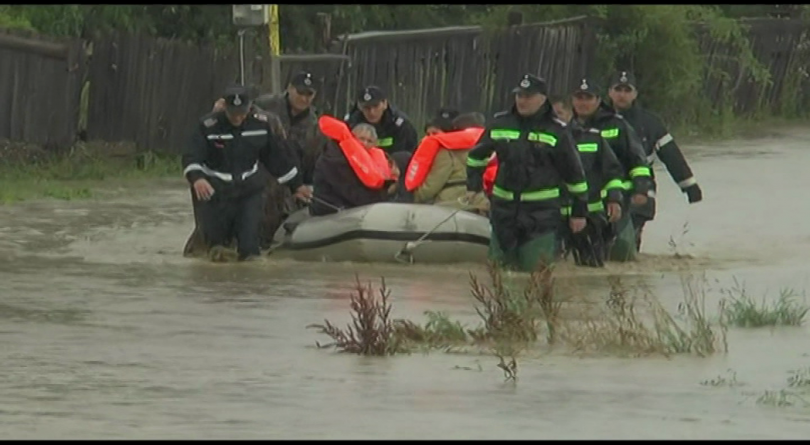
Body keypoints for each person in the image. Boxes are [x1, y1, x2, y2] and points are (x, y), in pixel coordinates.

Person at [466, 74, 590, 272]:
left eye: (528, 96)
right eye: (519, 95)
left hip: (541, 216)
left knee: (535, 276)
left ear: (542, 99)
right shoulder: (500, 123)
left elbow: (574, 175)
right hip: (504, 213)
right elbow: (476, 156)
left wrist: (579, 213)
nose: (522, 100)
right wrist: (474, 187)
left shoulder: (557, 130)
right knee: (498, 275)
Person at [183, 85, 312, 261]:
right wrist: (197, 178)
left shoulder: (260, 125)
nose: (237, 117)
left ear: (249, 108)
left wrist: (297, 185)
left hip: (248, 191)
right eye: (233, 113)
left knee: (250, 248)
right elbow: (192, 155)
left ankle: (248, 282)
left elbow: (276, 158)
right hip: (216, 192)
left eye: (241, 113)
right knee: (218, 249)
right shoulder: (208, 126)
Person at [608, 70, 703, 251]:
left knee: (625, 247)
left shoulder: (650, 123)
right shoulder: (597, 121)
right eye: (617, 89)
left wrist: (689, 187)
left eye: (627, 90)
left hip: (640, 193)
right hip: (605, 192)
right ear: (609, 92)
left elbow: (672, 156)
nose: (622, 95)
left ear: (635, 94)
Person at [570, 77, 652, 262]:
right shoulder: (565, 128)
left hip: (616, 200)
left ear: (598, 100)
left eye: (588, 98)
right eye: (579, 98)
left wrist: (640, 189)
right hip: (580, 205)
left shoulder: (618, 125)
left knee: (621, 254)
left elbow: (638, 160)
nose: (583, 103)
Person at [552, 96, 625, 267]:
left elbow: (613, 172)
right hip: (553, 217)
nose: (556, 118)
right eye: (552, 114)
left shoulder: (593, 138)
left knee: (592, 269)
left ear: (571, 113)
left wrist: (614, 199)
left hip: (590, 217)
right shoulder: (543, 141)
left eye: (560, 113)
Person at [310, 116, 397, 216]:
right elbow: (352, 192)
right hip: (330, 210)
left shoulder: (373, 159)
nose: (364, 143)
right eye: (361, 139)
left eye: (369, 141)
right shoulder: (334, 158)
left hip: (352, 207)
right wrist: (385, 196)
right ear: (352, 137)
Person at [406, 112, 489, 213]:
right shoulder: (489, 149)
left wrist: (412, 197)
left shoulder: (446, 152)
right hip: (481, 204)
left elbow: (431, 187)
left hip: (450, 207)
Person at [344, 85, 419, 156]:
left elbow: (410, 154)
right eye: (366, 107)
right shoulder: (350, 123)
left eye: (376, 106)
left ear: (385, 104)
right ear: (360, 107)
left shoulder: (400, 125)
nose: (372, 112)